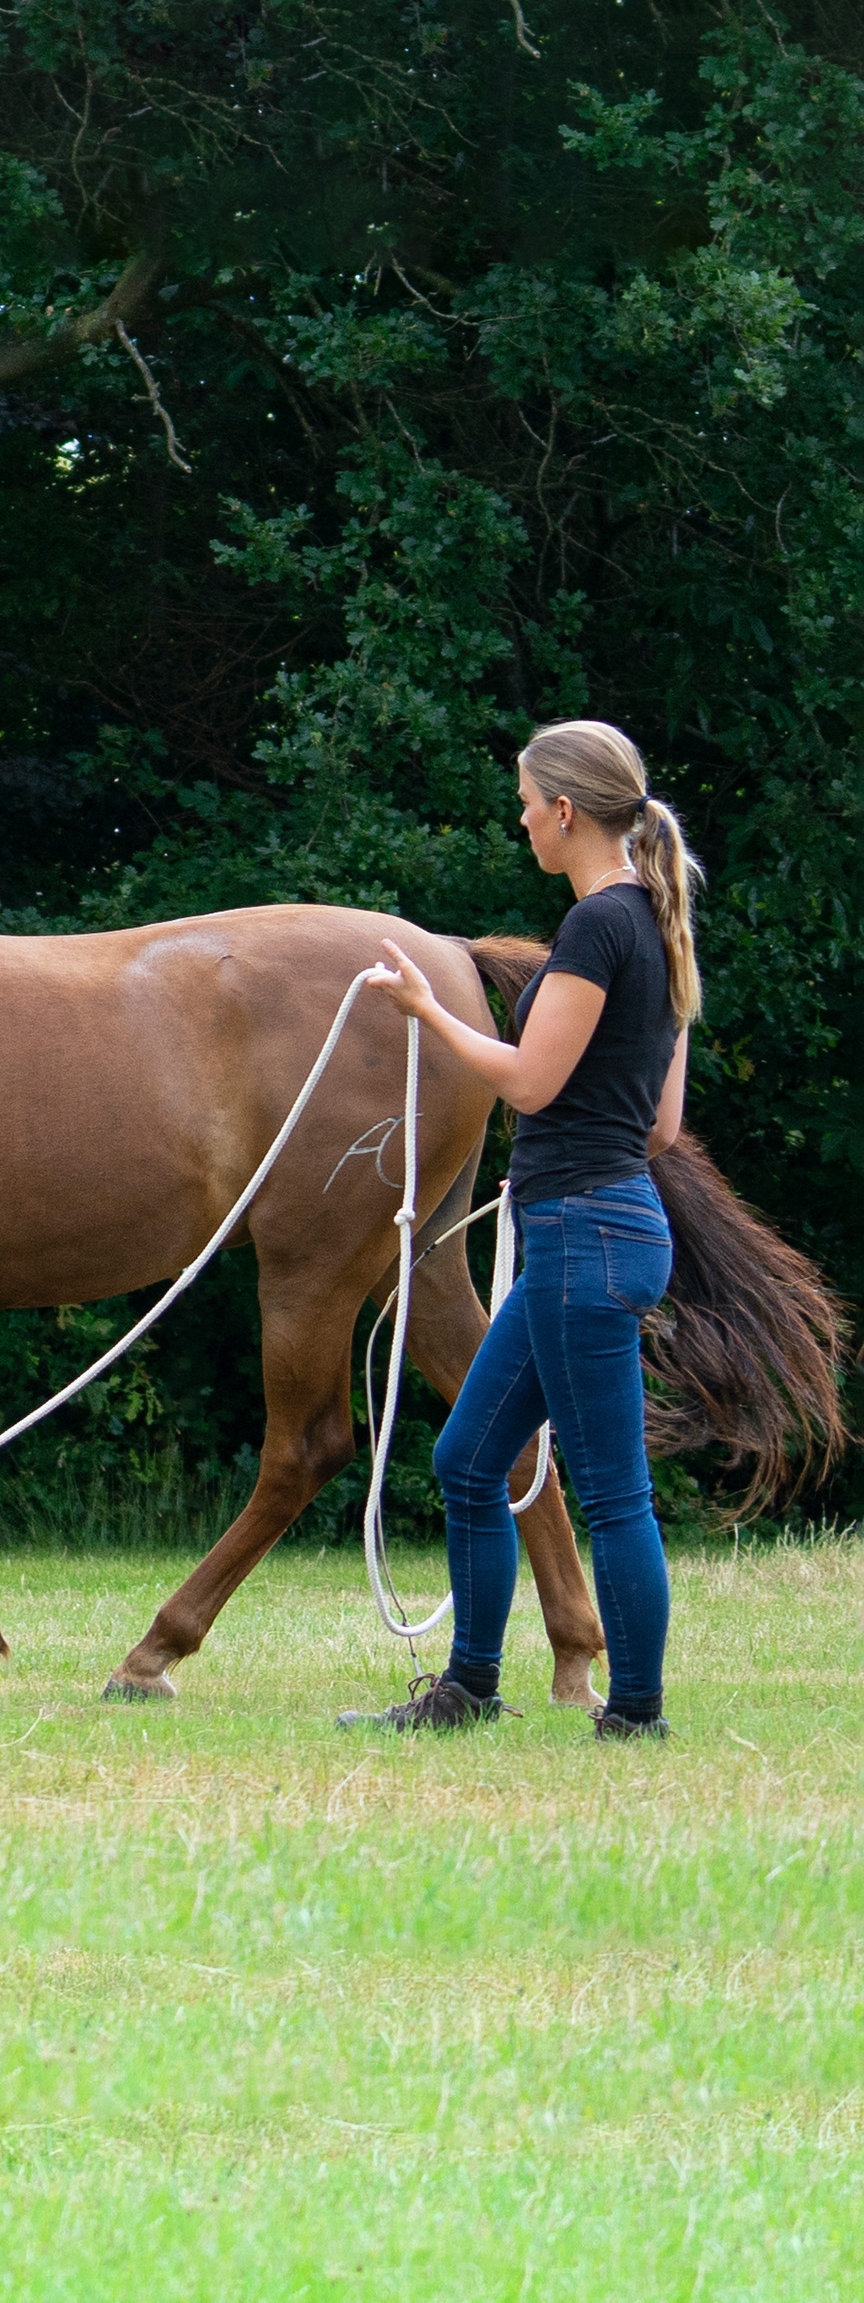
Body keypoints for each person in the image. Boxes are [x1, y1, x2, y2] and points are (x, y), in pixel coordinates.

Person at [340, 719, 701, 1742]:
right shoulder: (656, 924)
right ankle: (466, 1689)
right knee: (468, 1457)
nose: (519, 817)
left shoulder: (597, 927)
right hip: (601, 1227)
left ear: (564, 811)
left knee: (613, 1494)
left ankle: (633, 1713)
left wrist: (425, 1010)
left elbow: (531, 1079)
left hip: (582, 1235)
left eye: (524, 800)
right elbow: (662, 1123)